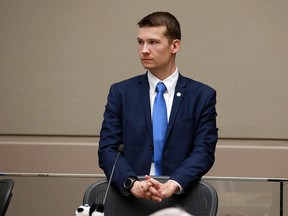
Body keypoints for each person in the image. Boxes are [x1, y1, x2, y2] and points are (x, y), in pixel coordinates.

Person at [98, 11, 218, 202]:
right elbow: (108, 149)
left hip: (180, 199)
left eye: (153, 42)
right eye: (140, 42)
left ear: (174, 46)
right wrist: (132, 183)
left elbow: (203, 150)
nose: (144, 49)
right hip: (130, 200)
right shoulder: (121, 92)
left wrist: (174, 183)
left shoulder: (201, 96)